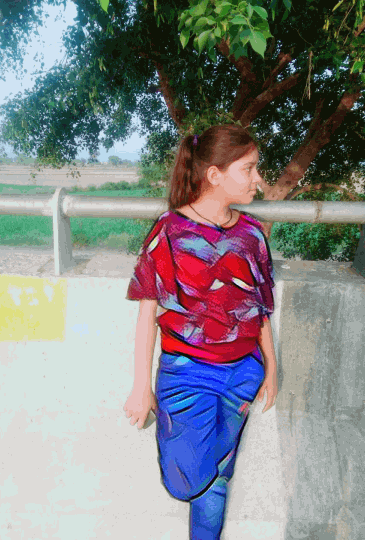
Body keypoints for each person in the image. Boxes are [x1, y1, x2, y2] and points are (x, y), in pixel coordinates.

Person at [124, 124, 278, 540]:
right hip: (186, 374)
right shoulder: (169, 231)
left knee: (219, 476)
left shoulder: (252, 234)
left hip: (243, 373)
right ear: (214, 175)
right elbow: (147, 311)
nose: (259, 180)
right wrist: (141, 387)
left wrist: (271, 367)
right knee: (186, 480)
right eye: (248, 169)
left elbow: (260, 308)